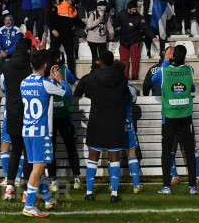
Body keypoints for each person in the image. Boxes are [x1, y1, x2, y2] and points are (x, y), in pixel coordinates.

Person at [19, 49, 69, 217]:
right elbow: (67, 93)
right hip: (41, 132)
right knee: (39, 168)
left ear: (31, 64)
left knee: (38, 168)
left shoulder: (23, 82)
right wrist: (60, 80)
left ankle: (47, 199)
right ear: (46, 65)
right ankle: (29, 206)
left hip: (27, 130)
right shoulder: (46, 84)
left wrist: (50, 80)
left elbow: (39, 89)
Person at [73, 50, 127, 202]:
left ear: (100, 62)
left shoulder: (92, 78)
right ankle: (114, 194)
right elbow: (124, 95)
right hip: (115, 120)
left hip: (97, 120)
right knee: (114, 158)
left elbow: (87, 93)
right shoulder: (121, 78)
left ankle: (89, 192)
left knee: (93, 158)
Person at [148, 46, 199, 195]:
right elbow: (192, 87)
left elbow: (153, 79)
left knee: (166, 151)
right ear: (184, 57)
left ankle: (166, 185)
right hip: (185, 116)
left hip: (169, 116)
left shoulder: (164, 71)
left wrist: (165, 61)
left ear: (171, 56)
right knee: (189, 150)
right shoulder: (190, 70)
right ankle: (192, 186)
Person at [2, 38, 35, 202]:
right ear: (28, 50)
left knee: (15, 151)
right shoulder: (30, 68)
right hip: (28, 114)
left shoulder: (6, 66)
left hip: (13, 114)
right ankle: (26, 192)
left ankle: (9, 188)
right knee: (28, 153)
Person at [45, 49, 81, 192]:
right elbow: (72, 80)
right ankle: (77, 178)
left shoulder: (44, 74)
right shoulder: (65, 71)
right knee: (71, 147)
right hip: (65, 115)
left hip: (51, 117)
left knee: (51, 149)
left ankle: (53, 180)